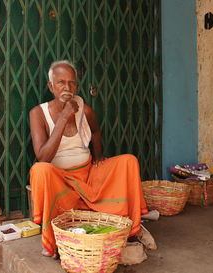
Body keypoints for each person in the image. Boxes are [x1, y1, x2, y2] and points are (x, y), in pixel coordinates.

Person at [29, 60, 156, 258]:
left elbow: (95, 131)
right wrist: (63, 117)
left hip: (88, 176)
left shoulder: (84, 108)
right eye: (61, 83)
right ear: (50, 86)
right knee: (39, 170)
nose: (67, 88)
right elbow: (43, 156)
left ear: (77, 86)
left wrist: (98, 157)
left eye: (72, 83)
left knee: (128, 161)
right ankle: (52, 238)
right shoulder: (38, 113)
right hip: (61, 181)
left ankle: (131, 228)